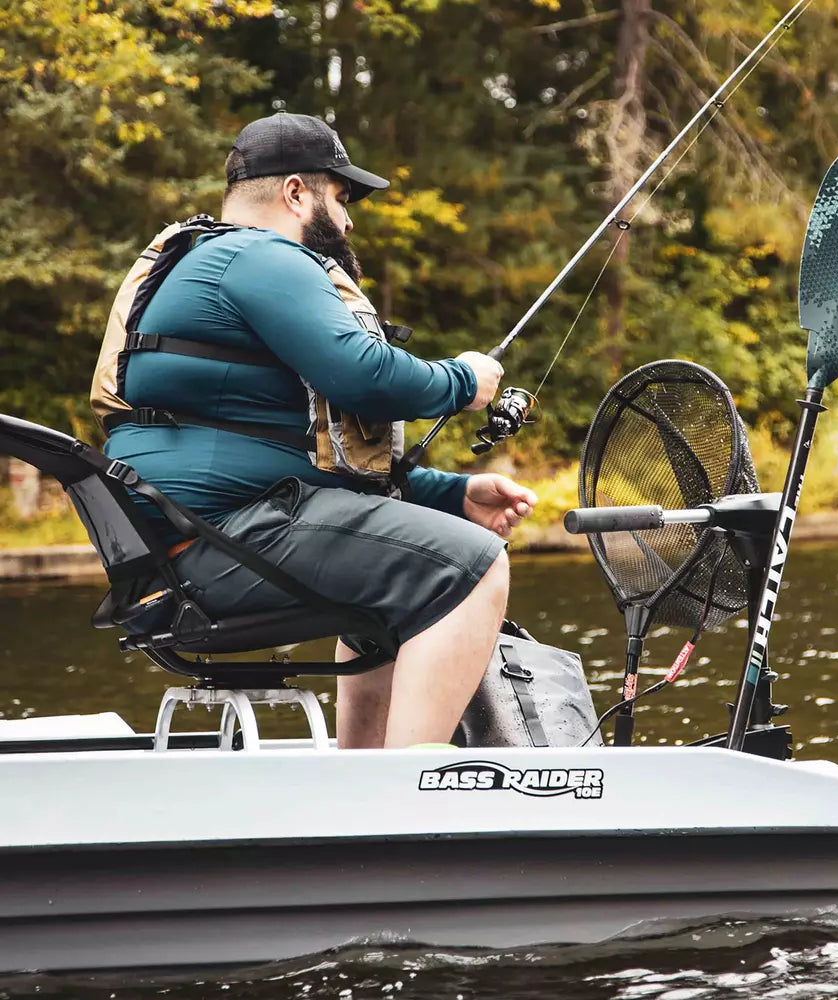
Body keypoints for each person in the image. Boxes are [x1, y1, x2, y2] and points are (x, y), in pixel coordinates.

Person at [95, 111, 537, 749]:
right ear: (297, 192)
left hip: (194, 546)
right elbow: (364, 375)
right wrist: (464, 382)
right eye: (342, 196)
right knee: (470, 567)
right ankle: (407, 797)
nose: (350, 218)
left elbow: (304, 450)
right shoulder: (261, 257)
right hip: (224, 542)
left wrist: (449, 494)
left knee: (403, 580)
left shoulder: (208, 262)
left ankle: (358, 784)